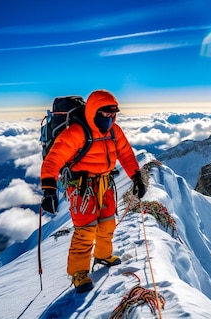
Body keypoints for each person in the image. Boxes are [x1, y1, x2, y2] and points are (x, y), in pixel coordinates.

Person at [40, 89, 146, 293]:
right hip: (81, 188)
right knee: (86, 230)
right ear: (94, 111)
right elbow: (53, 160)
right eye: (105, 113)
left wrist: (136, 177)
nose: (109, 117)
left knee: (107, 223)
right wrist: (49, 190)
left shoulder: (115, 131)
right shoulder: (77, 132)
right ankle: (78, 272)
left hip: (105, 183)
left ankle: (103, 255)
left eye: (112, 114)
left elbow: (125, 153)